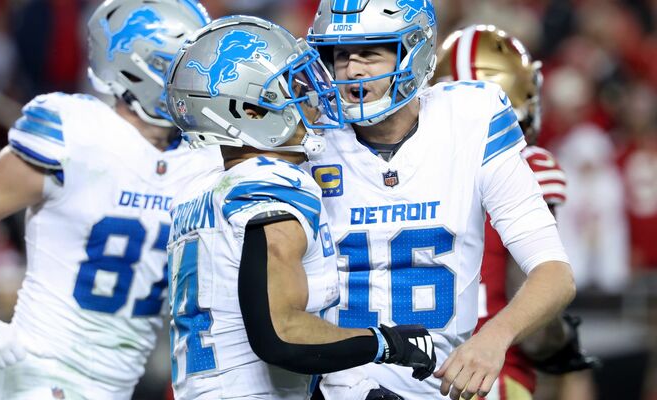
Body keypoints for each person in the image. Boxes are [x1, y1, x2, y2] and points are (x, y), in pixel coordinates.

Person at [0, 0, 217, 398]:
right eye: (184, 65)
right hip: (34, 375)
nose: (199, 79)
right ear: (140, 64)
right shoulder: (77, 133)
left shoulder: (201, 160)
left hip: (116, 384)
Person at [305, 1, 576, 399]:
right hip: (332, 386)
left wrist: (493, 338)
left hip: (437, 385)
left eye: (370, 52)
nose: (352, 70)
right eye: (340, 54)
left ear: (414, 52)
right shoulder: (307, 138)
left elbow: (555, 274)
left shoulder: (470, 120)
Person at [164, 15, 436, 400]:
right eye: (293, 87)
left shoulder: (199, 193)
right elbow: (281, 334)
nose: (312, 100)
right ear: (250, 111)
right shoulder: (273, 184)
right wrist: (385, 343)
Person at [433, 24, 599, 400]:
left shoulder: (402, 169)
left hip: (408, 374)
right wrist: (561, 341)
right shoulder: (527, 165)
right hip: (489, 374)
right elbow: (536, 324)